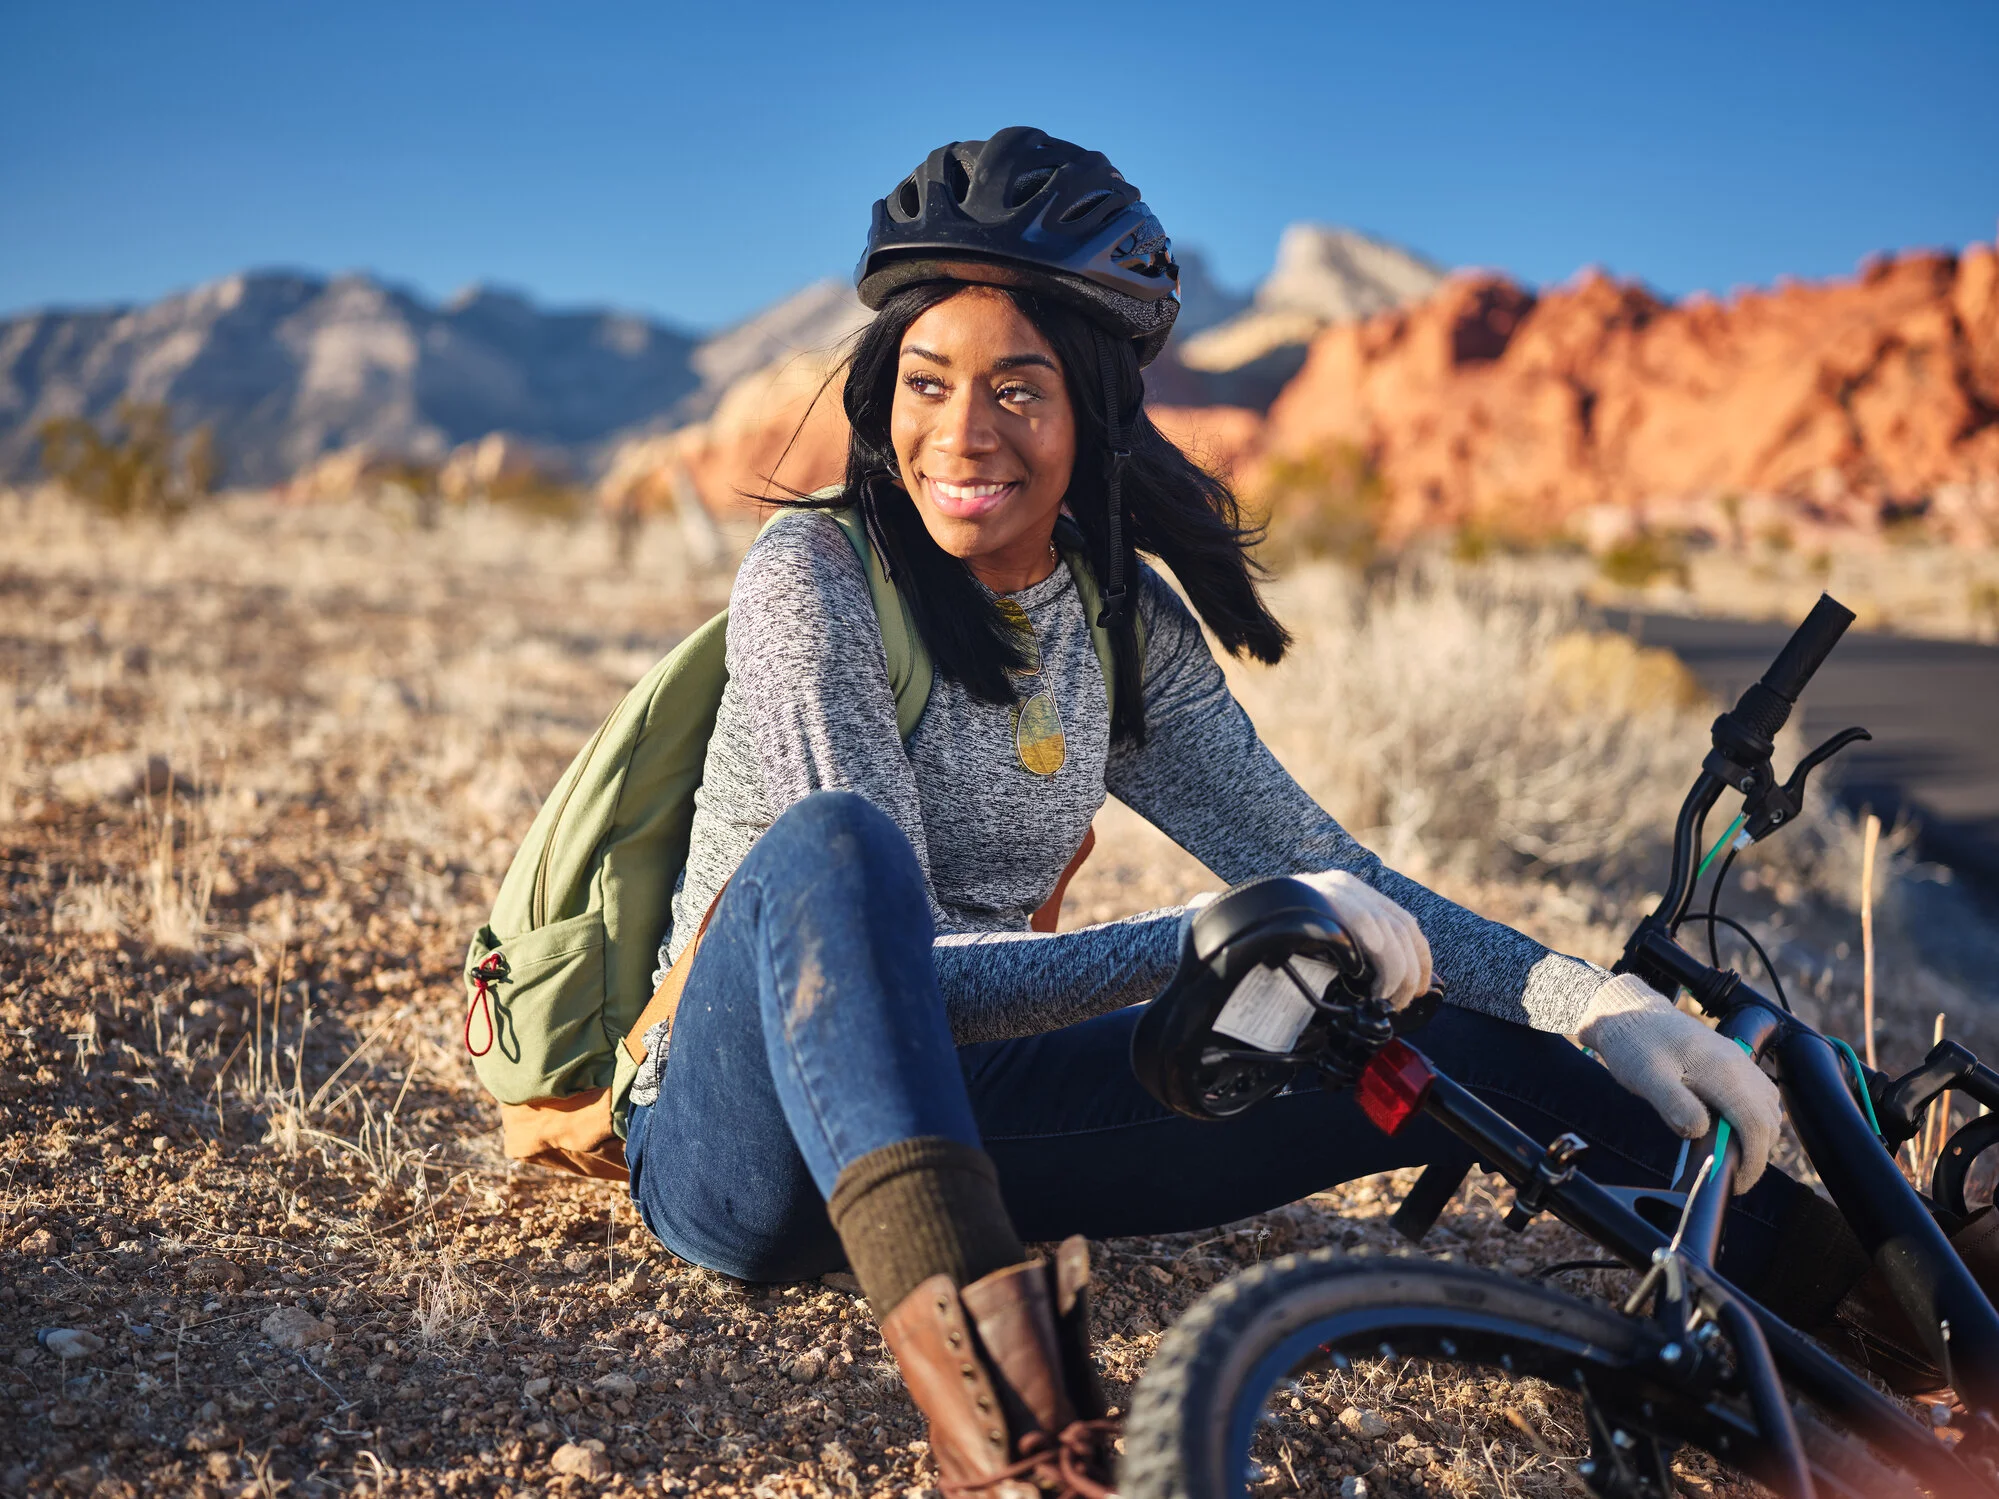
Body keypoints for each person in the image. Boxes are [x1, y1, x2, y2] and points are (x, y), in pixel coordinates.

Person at [619, 129, 1866, 1496]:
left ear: (1094, 404)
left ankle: (1893, 1325)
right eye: (926, 384)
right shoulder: (816, 576)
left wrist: (1589, 1004)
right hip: (745, 1144)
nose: (961, 434)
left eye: (1017, 389)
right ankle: (1018, 1448)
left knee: (1409, 1018)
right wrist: (1226, 935)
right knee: (839, 850)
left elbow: (1327, 867)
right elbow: (886, 975)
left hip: (975, 1121)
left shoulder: (1116, 622)